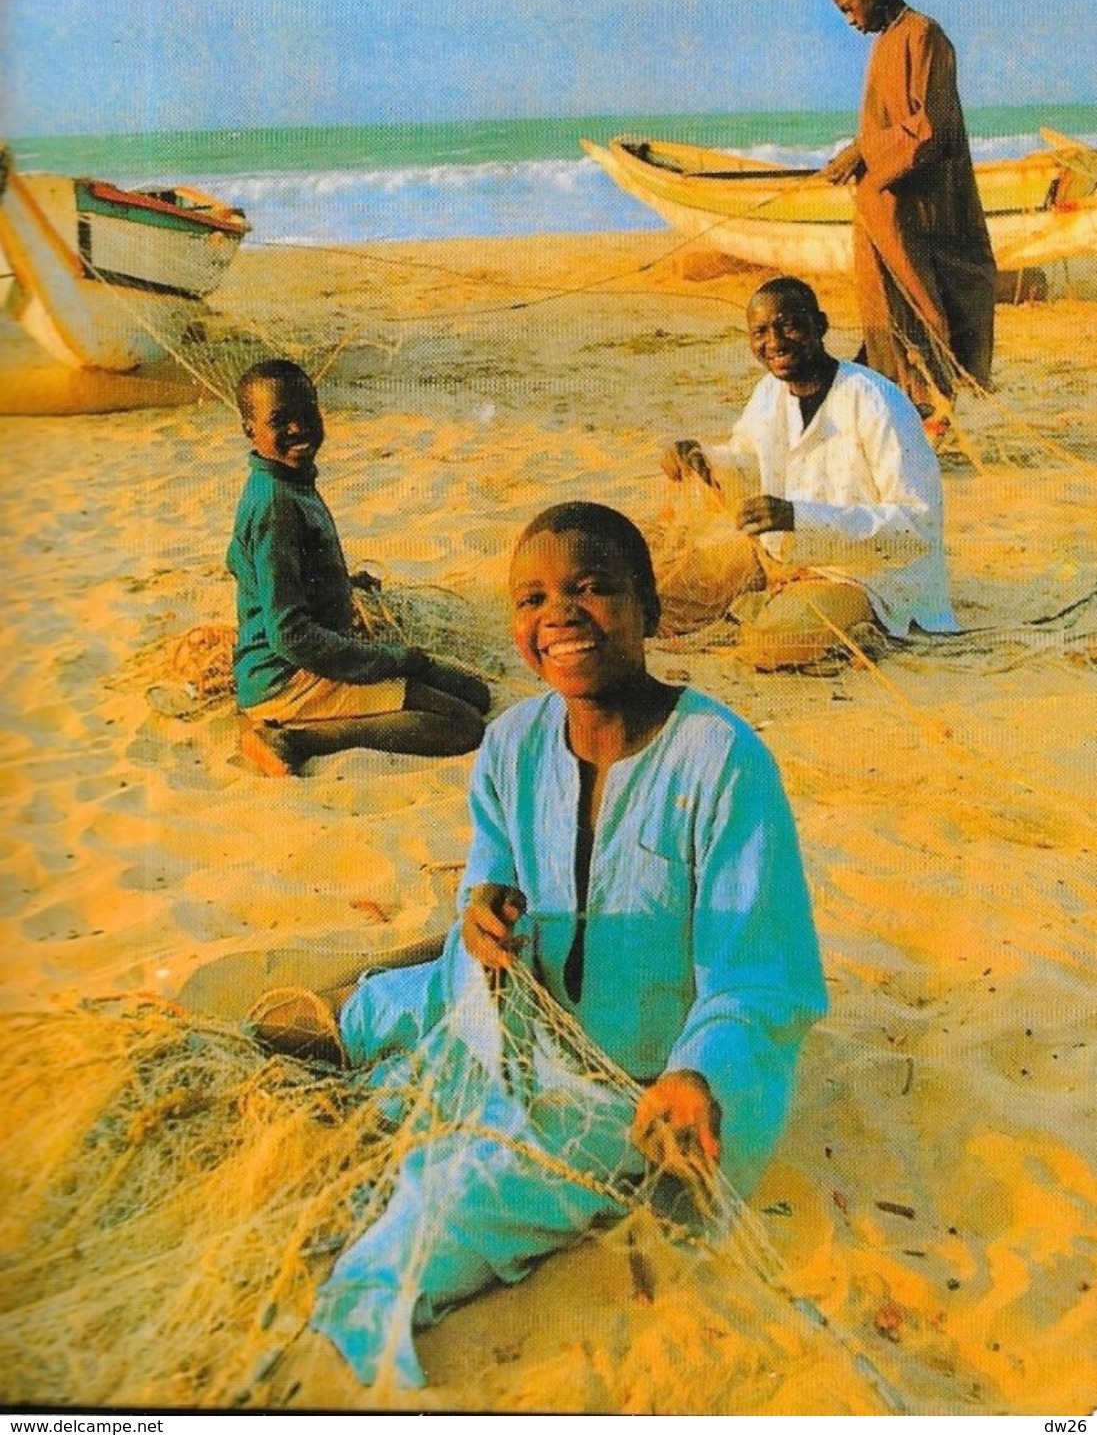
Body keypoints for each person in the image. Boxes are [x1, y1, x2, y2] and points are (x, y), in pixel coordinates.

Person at [298, 501, 826, 1388]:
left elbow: (756, 972)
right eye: (532, 598)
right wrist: (481, 914)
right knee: (390, 1010)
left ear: (649, 610)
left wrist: (699, 1073)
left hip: (633, 1092)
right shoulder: (509, 743)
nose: (560, 616)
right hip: (519, 1023)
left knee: (420, 1223)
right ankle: (371, 1022)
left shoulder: (722, 761)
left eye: (592, 589)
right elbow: (485, 878)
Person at [661, 277, 958, 664]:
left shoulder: (875, 401)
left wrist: (798, 517)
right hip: (788, 564)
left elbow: (915, 529)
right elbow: (747, 463)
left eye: (788, 325)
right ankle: (772, 601)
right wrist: (702, 460)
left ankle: (839, 624)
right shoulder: (768, 394)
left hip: (870, 579)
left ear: (820, 325)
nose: (775, 342)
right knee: (664, 601)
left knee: (772, 643)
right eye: (760, 333)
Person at [228, 359, 489, 776]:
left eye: (306, 413)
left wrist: (340, 584)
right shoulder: (274, 504)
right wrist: (389, 659)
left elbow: (280, 577)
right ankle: (293, 737)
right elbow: (289, 634)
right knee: (462, 724)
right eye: (280, 420)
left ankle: (315, 720)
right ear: (250, 429)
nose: (298, 428)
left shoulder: (289, 482)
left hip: (309, 657)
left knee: (475, 693)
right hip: (288, 674)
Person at [823, 0, 996, 418]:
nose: (849, 20)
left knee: (930, 303)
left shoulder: (923, 36)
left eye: (847, 6)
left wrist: (862, 151)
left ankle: (935, 407)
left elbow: (929, 129)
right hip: (884, 206)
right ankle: (908, 408)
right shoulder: (885, 42)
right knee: (886, 307)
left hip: (922, 207)